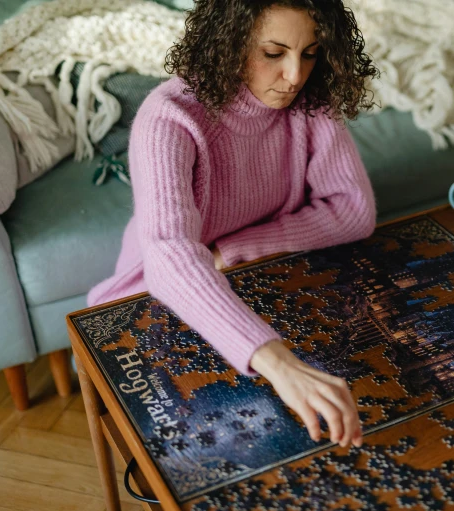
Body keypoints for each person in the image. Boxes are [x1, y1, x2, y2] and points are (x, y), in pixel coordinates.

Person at [87, 0, 378, 449]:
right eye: (274, 53)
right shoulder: (169, 117)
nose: (295, 76)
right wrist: (276, 360)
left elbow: (354, 210)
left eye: (310, 52)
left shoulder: (310, 100)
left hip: (263, 275)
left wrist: (235, 249)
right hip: (156, 296)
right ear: (231, 43)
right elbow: (169, 255)